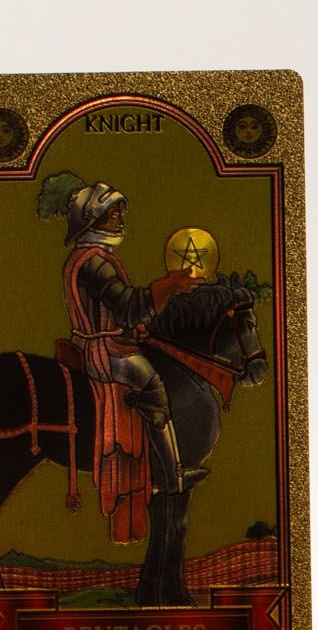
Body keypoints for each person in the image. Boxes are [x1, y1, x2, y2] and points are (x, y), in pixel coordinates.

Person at [39, 171, 205, 544]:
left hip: (102, 342)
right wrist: (168, 286)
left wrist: (135, 328)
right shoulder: (95, 262)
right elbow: (128, 306)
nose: (118, 218)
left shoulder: (89, 257)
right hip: (104, 353)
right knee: (153, 383)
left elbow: (119, 314)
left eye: (118, 212)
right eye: (111, 213)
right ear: (92, 220)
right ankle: (174, 475)